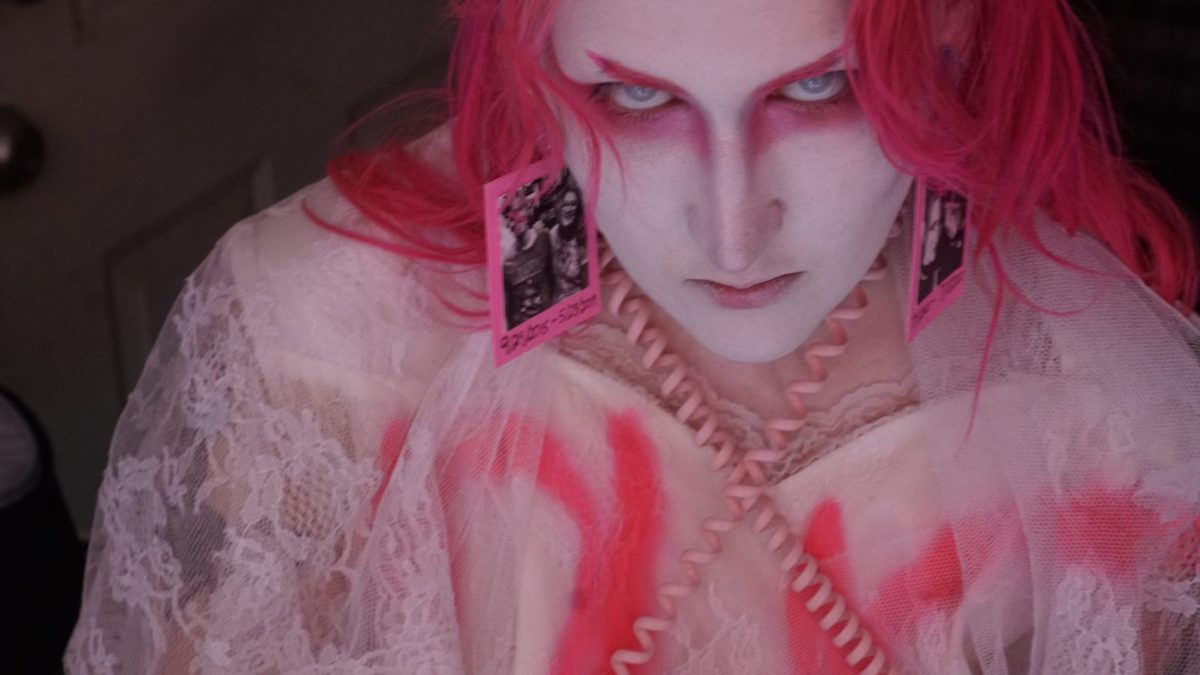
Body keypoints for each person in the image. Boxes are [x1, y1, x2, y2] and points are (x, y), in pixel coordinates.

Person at [66, 0, 1200, 673]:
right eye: (636, 100)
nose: (733, 229)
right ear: (531, 47)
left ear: (958, 26)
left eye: (822, 87)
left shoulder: (1108, 407)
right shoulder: (322, 341)